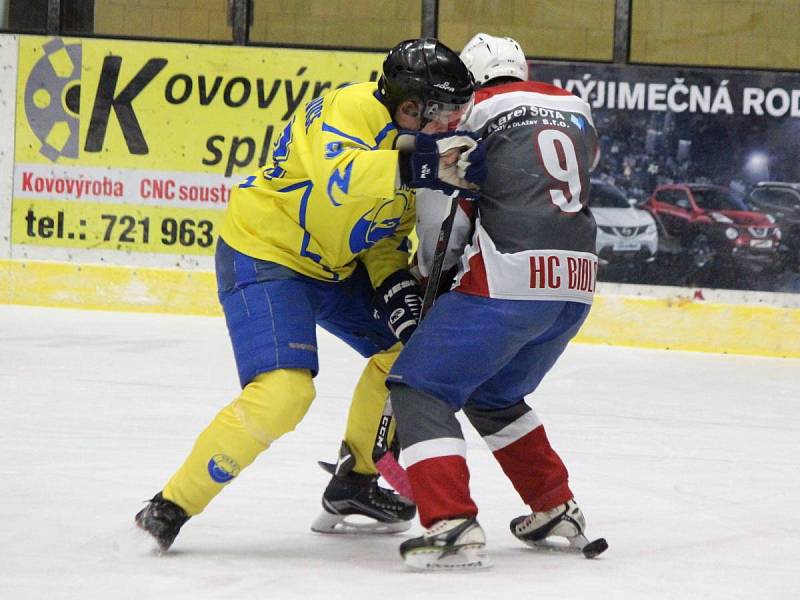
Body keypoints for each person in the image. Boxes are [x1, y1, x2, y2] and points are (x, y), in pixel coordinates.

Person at [134, 38, 486, 550]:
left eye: (459, 115)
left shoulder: (419, 147)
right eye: (442, 115)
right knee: (285, 393)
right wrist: (430, 161)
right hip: (265, 253)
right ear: (410, 105)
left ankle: (355, 481)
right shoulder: (349, 109)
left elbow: (382, 228)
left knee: (405, 354)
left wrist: (393, 287)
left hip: (334, 266)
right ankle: (168, 508)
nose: (450, 128)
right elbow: (341, 181)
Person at [386, 33, 606, 569]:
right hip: (574, 286)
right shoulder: (575, 108)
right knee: (494, 396)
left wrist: (426, 277)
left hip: (506, 283)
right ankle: (555, 506)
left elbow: (446, 216)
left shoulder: (470, 113)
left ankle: (450, 523)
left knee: (418, 388)